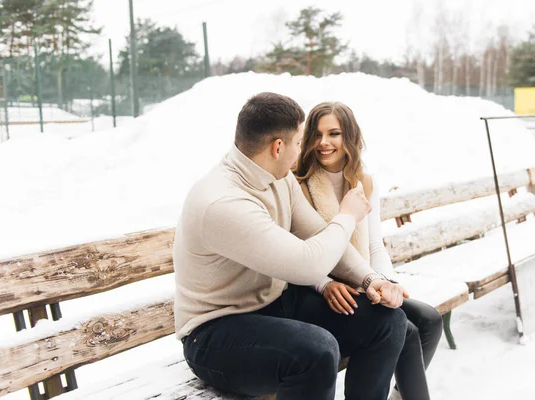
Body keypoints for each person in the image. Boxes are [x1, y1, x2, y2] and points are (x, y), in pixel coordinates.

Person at [173, 92, 410, 400]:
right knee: (315, 351)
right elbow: (307, 265)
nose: (303, 151)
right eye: (300, 142)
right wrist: (347, 217)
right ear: (278, 147)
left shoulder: (278, 177)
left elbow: (317, 233)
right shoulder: (223, 201)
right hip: (214, 334)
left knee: (388, 321)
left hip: (273, 307)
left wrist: (371, 279)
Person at [294, 101, 443, 400]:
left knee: (428, 320)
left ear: (349, 137)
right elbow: (298, 252)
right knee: (406, 330)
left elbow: (375, 244)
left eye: (334, 133)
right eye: (317, 134)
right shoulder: (300, 184)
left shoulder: (363, 182)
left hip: (363, 281)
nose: (324, 143)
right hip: (318, 287)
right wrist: (324, 284)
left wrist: (387, 284)